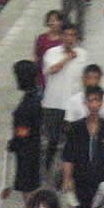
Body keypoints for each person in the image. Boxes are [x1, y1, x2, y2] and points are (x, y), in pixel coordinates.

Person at [40, 22, 85, 179]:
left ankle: (66, 173)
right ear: (62, 36)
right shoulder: (51, 53)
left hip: (74, 106)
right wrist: (67, 57)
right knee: (52, 140)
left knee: (72, 142)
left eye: (73, 35)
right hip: (54, 104)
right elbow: (52, 70)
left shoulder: (83, 55)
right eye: (66, 35)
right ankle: (46, 170)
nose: (69, 38)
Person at [2, 58, 44, 208]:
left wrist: (13, 144)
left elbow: (23, 132)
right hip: (33, 147)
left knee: (28, 190)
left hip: (26, 152)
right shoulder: (36, 96)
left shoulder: (27, 104)